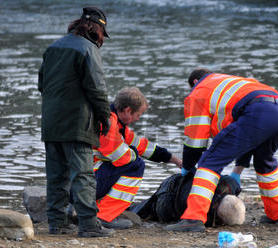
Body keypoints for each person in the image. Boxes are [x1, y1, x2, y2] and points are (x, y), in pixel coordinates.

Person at [165, 68, 278, 232]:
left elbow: (195, 142)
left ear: (195, 83)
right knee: (264, 161)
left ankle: (193, 218)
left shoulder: (198, 92)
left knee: (210, 162)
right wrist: (237, 171)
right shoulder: (228, 82)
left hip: (257, 112)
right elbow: (247, 137)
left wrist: (187, 167)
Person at [38, 7, 113, 237]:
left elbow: (41, 84)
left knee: (56, 176)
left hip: (51, 123)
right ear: (96, 29)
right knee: (83, 175)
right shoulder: (88, 50)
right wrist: (104, 117)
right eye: (102, 33)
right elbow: (97, 89)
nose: (102, 39)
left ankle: (56, 224)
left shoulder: (53, 48)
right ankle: (89, 225)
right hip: (77, 124)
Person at [93, 87, 182, 229]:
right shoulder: (108, 123)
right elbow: (120, 156)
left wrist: (173, 159)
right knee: (136, 165)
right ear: (128, 110)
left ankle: (93, 210)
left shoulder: (116, 123)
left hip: (84, 177)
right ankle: (103, 216)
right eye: (138, 115)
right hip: (85, 180)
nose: (137, 119)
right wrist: (134, 152)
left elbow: (142, 146)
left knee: (134, 161)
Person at [129, 172, 244, 227]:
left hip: (178, 179)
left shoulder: (230, 184)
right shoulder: (207, 218)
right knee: (147, 209)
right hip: (166, 202)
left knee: (144, 207)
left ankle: (127, 209)